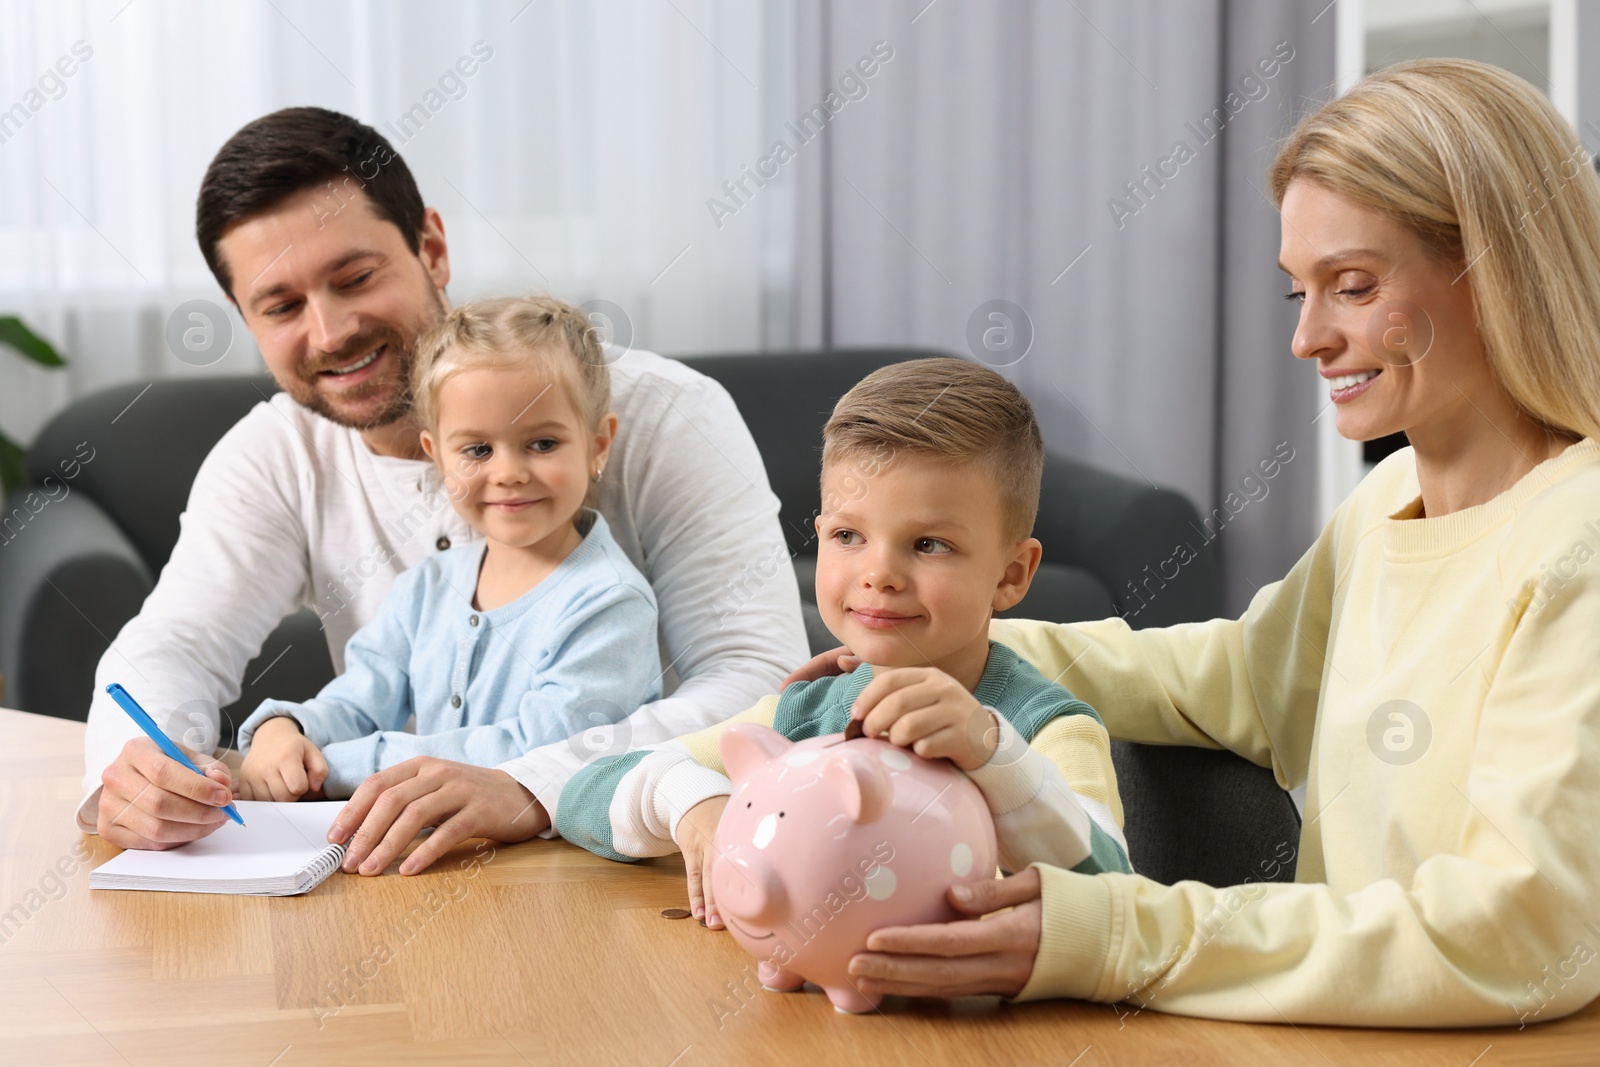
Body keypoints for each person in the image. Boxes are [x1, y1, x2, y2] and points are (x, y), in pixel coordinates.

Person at [794, 59, 1600, 1026]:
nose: (1308, 339)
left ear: (1495, 271)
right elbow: (1246, 682)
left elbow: (1522, 932)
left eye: (1350, 285)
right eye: (1297, 292)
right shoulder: (1389, 500)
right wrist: (953, 652)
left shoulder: (1577, 548)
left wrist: (1117, 934)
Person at [81, 107, 809, 874]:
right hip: (408, 868)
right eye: (282, 306)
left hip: (647, 867)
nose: (329, 333)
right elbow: (175, 644)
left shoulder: (667, 414)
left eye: (355, 277)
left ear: (431, 247)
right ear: (244, 318)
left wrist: (533, 787)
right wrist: (133, 769)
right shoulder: (273, 456)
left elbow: (756, 680)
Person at [554, 358, 1132, 931]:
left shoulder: (1048, 731)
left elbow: (1115, 902)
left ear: (1011, 575)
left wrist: (992, 755)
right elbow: (584, 791)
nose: (878, 574)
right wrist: (692, 804)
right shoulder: (806, 711)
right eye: (847, 535)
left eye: (930, 544)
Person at [236, 295, 661, 801]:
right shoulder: (427, 586)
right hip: (432, 849)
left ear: (597, 446)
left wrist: (332, 766)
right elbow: (359, 699)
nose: (508, 473)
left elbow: (538, 751)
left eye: (542, 444)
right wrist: (288, 731)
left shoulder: (609, 603)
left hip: (559, 867)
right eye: (477, 450)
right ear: (437, 456)